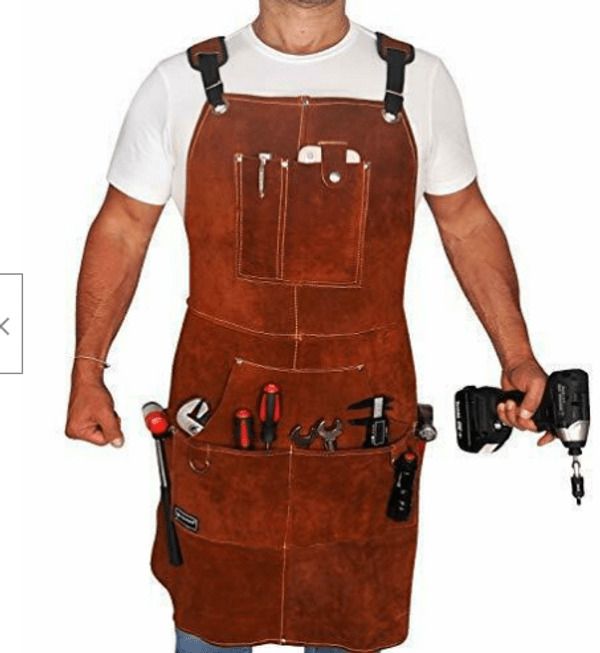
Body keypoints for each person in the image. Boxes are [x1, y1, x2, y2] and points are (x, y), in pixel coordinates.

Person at [65, 1, 554, 652]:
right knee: (212, 624)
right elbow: (123, 228)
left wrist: (517, 355)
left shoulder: (418, 81)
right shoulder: (178, 83)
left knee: (349, 623)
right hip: (220, 416)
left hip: (364, 424)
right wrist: (87, 369)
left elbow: (465, 220)